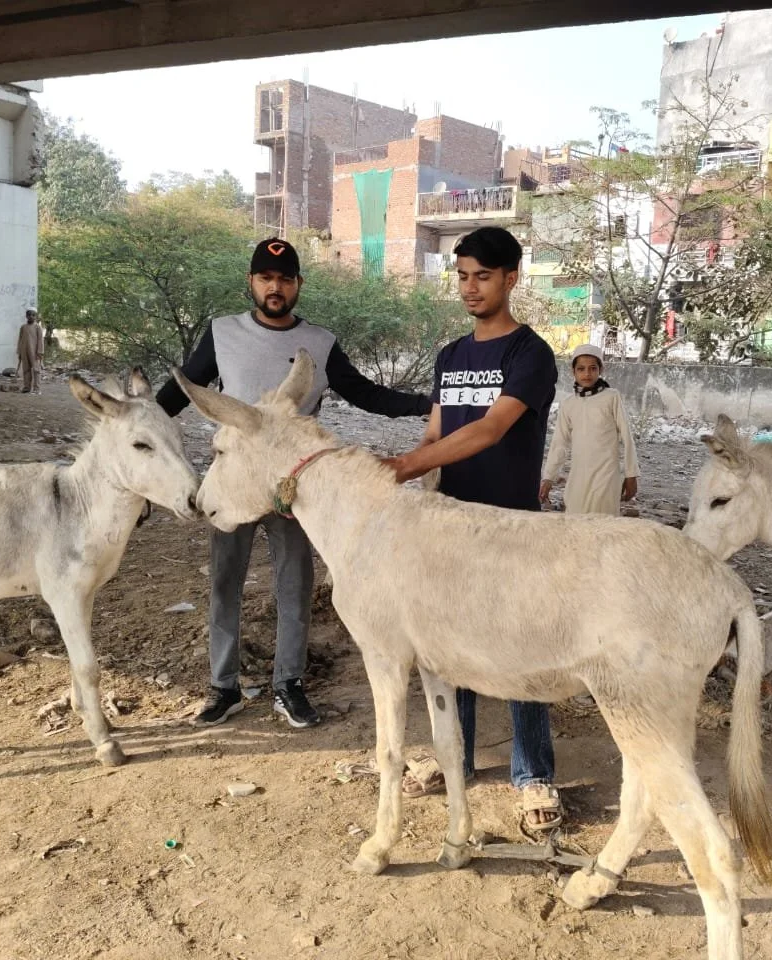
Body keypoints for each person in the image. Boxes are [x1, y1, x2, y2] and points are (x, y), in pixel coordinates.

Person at [156, 238, 431, 728]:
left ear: (298, 284)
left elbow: (364, 393)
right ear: (252, 282)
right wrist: (136, 426)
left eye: (285, 279)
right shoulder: (222, 333)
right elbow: (176, 397)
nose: (275, 287)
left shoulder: (320, 344)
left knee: (294, 583)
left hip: (291, 488)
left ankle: (289, 684)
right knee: (225, 582)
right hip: (235, 480)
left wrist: (427, 405)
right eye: (266, 278)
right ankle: (223, 687)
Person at [382, 226, 563, 832]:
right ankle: (450, 753)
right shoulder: (451, 356)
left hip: (511, 529)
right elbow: (437, 434)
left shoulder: (530, 355)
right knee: (449, 646)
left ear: (512, 278)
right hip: (450, 528)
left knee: (522, 648)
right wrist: (401, 471)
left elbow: (489, 430)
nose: (469, 288)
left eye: (482, 276)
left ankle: (533, 773)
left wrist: (406, 465)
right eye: (462, 276)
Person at [540, 343, 639, 515]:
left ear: (600, 370)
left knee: (603, 525)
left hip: (606, 476)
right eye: (581, 369)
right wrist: (549, 477)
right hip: (578, 476)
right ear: (574, 372)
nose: (587, 374)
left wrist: (631, 474)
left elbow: (627, 437)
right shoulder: (569, 404)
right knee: (576, 522)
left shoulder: (611, 397)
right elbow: (560, 442)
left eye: (593, 368)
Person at [17, 309, 44, 395]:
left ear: (36, 316)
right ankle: (27, 387)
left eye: (33, 315)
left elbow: (40, 340)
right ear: (26, 316)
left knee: (36, 370)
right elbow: (20, 340)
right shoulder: (23, 327)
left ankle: (37, 389)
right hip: (24, 351)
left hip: (35, 352)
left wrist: (40, 352)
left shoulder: (38, 327)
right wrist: (19, 351)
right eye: (29, 315)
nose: (31, 317)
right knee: (26, 369)